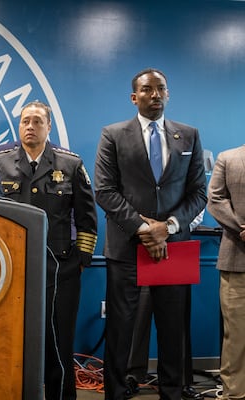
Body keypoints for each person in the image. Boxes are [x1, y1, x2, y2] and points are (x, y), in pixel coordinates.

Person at [94, 68, 207, 400]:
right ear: (134, 97)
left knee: (173, 331)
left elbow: (198, 192)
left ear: (167, 94)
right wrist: (145, 229)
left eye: (161, 89)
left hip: (174, 247)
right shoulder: (112, 135)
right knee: (120, 328)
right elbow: (105, 191)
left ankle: (172, 392)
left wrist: (168, 228)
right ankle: (115, 391)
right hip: (128, 246)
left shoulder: (189, 135)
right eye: (147, 89)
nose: (155, 94)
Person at [0, 101, 97, 400]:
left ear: (48, 127)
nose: (30, 126)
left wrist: (80, 260)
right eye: (25, 120)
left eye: (37, 121)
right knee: (10, 341)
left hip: (61, 270)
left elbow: (88, 218)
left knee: (59, 345)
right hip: (11, 270)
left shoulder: (70, 164)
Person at [125, 212, 206, 399]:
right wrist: (151, 231)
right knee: (140, 316)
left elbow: (196, 210)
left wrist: (168, 229)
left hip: (178, 243)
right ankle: (132, 375)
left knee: (178, 322)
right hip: (145, 244)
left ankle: (182, 381)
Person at [207, 145, 245, 399]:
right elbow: (216, 199)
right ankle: (234, 394)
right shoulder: (228, 158)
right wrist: (241, 228)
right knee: (237, 336)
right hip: (237, 260)